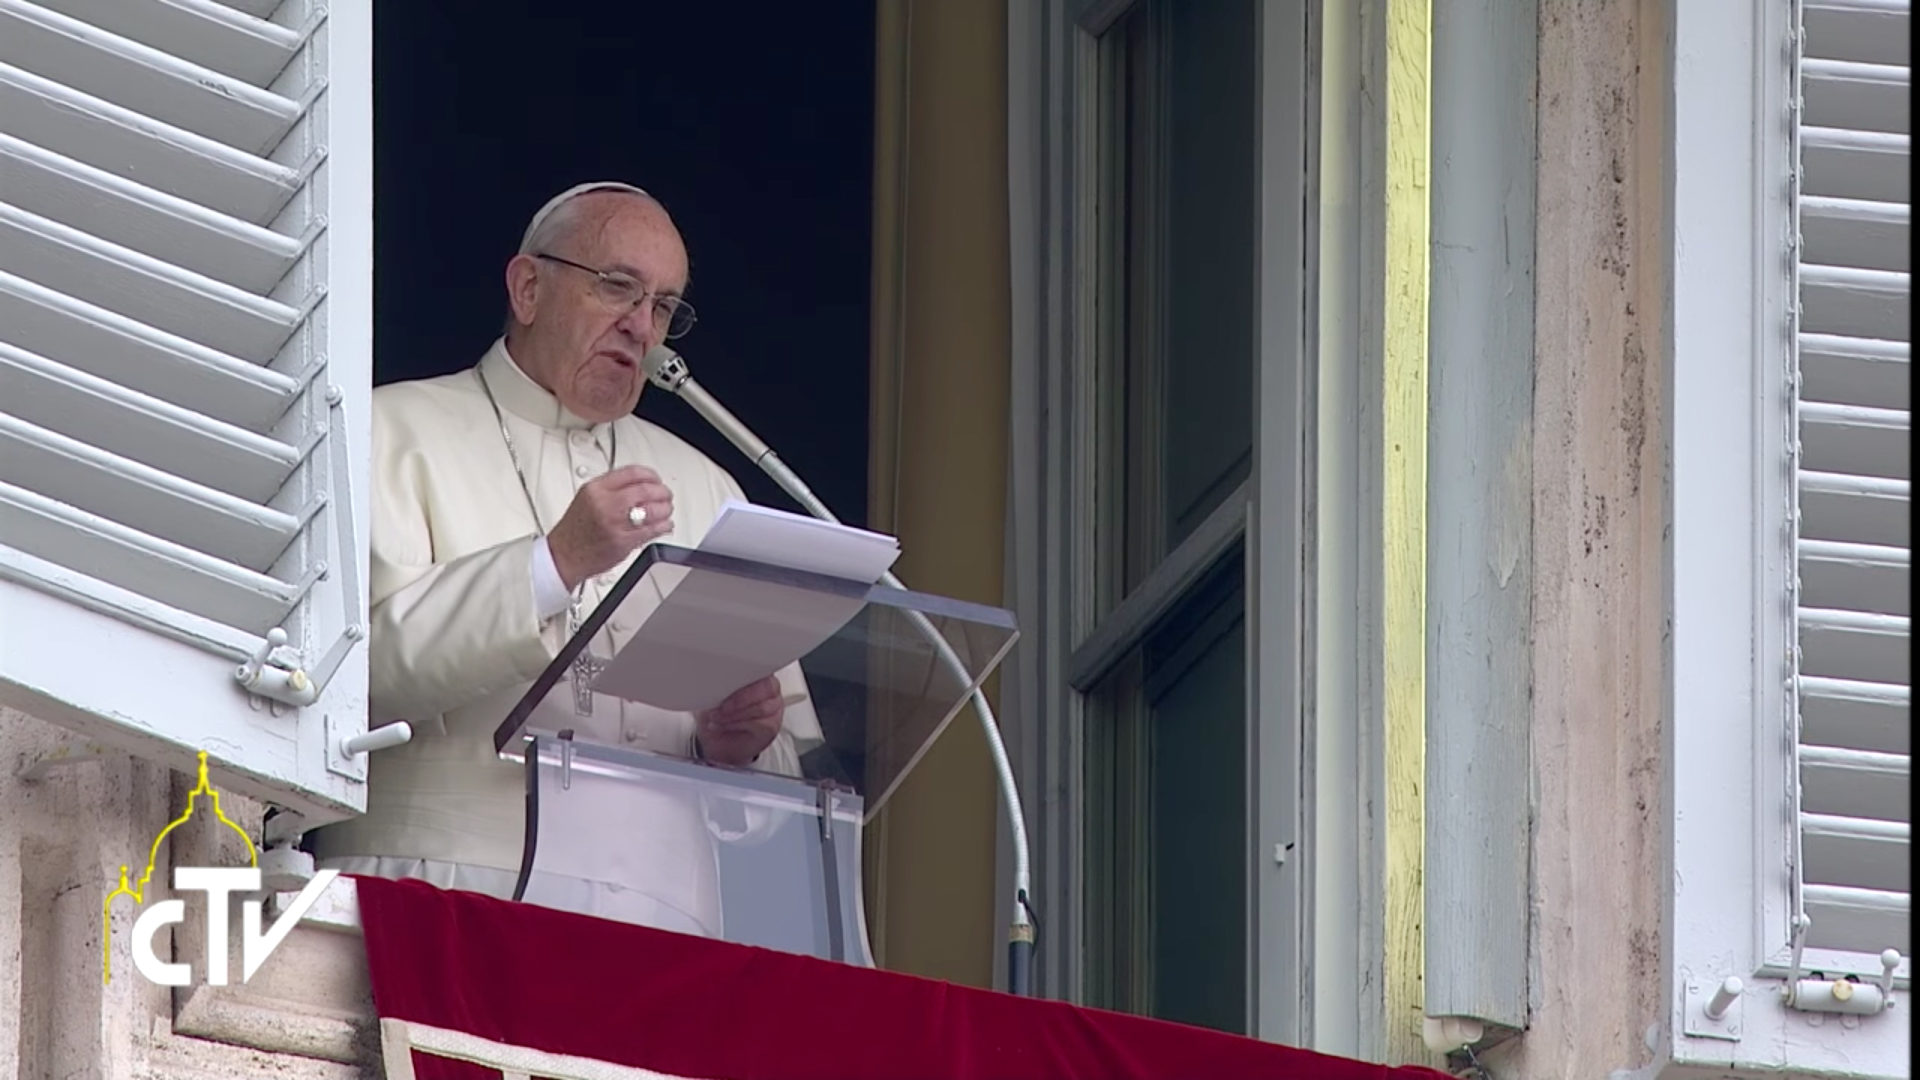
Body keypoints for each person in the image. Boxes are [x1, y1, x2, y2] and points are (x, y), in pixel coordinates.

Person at [310, 182, 823, 935]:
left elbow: (784, 781)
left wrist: (733, 750)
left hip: (662, 923)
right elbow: (348, 680)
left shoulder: (709, 488)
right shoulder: (389, 432)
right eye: (618, 287)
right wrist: (552, 563)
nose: (642, 327)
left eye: (663, 307)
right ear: (528, 286)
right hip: (442, 892)